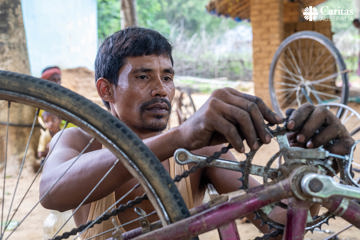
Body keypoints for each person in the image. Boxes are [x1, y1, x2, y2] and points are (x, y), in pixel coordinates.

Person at [39, 27, 354, 239]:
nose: (161, 89)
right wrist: (180, 137)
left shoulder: (199, 153)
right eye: (143, 77)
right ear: (105, 89)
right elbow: (52, 193)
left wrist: (314, 167)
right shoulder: (77, 141)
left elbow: (275, 220)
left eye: (168, 76)